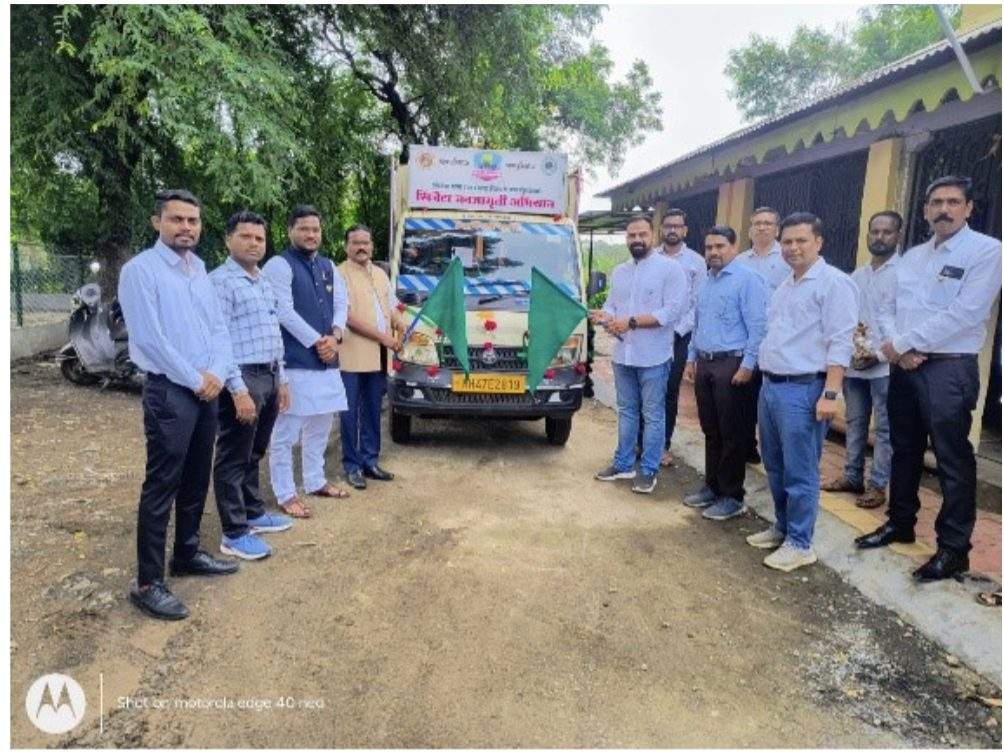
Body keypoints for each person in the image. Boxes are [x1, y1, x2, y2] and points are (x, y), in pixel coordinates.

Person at [856, 176, 1003, 582]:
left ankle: (954, 550)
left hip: (949, 369)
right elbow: (888, 308)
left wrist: (903, 343)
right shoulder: (914, 257)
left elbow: (966, 313)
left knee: (952, 459)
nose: (944, 209)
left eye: (953, 202)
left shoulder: (987, 251)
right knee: (904, 448)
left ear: (968, 208)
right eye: (936, 202)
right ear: (924, 210)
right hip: (905, 367)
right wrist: (898, 350)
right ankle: (900, 522)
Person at [118, 189, 239, 621]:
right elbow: (150, 339)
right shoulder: (140, 271)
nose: (186, 227)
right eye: (176, 219)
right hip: (171, 391)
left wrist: (218, 374)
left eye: (192, 220)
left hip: (206, 389)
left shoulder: (199, 270)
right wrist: (197, 379)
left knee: (196, 477)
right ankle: (148, 583)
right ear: (157, 223)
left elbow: (219, 329)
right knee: (162, 484)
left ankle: (186, 553)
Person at [745, 212, 857, 572]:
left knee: (800, 470)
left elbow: (841, 341)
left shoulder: (833, 283)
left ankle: (800, 542)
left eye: (801, 241)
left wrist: (831, 393)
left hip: (804, 389)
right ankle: (783, 528)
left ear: (818, 242)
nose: (793, 248)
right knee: (775, 465)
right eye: (788, 241)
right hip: (772, 387)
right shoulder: (786, 286)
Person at [209, 211, 294, 561]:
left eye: (259, 238)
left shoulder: (263, 281)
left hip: (269, 374)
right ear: (228, 240)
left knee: (255, 450)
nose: (254, 243)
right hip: (242, 376)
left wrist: (281, 379)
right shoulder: (221, 282)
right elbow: (218, 339)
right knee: (233, 455)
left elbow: (275, 333)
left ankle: (253, 513)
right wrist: (237, 389)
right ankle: (233, 532)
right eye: (245, 237)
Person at [262, 205, 350, 518]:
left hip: (326, 362)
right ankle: (285, 493)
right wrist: (319, 341)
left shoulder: (328, 265)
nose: (311, 234)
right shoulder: (279, 265)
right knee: (286, 433)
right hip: (295, 362)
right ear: (290, 231)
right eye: (304, 229)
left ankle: (315, 480)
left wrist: (335, 336)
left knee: (321, 426)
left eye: (315, 229)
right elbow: (283, 312)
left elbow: (342, 304)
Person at [590, 215, 688, 494]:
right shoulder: (620, 271)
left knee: (653, 415)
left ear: (653, 235)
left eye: (642, 234)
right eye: (631, 235)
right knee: (627, 411)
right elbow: (612, 304)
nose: (636, 240)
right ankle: (623, 464)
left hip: (654, 357)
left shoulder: (670, 269)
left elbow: (672, 311)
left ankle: (648, 470)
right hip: (623, 355)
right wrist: (605, 316)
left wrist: (631, 322)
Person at [681, 226, 768, 520]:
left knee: (733, 433)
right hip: (705, 363)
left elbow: (758, 327)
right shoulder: (706, 281)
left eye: (720, 246)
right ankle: (712, 486)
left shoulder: (748, 280)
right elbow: (698, 324)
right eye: (709, 247)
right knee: (711, 430)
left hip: (733, 364)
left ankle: (732, 496)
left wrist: (748, 365)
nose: (714, 252)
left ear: (734, 247)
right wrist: (691, 359)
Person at [821, 211, 902, 509]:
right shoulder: (857, 276)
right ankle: (852, 476)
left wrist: (878, 355)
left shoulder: (905, 275)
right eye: (875, 231)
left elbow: (906, 324)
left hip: (886, 367)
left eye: (887, 232)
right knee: (854, 422)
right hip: (856, 366)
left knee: (884, 429)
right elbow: (848, 320)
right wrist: (852, 353)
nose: (879, 237)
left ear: (898, 236)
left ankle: (877, 485)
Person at [338, 224, 405, 490]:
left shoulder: (380, 274)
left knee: (373, 410)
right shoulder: (339, 274)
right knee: (349, 413)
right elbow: (347, 317)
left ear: (372, 246)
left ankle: (370, 461)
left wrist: (401, 324)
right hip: (352, 355)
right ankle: (352, 466)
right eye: (355, 243)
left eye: (365, 242)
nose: (361, 247)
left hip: (378, 356)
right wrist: (384, 337)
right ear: (346, 246)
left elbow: (391, 307)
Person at [737, 206, 790, 464]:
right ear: (750, 230)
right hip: (745, 338)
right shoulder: (740, 261)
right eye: (757, 223)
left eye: (768, 223)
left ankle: (776, 452)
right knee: (744, 395)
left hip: (777, 339)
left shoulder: (788, 259)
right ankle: (747, 445)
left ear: (777, 229)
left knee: (771, 397)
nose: (762, 227)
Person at [654, 209, 707, 467]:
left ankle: (662, 445)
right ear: (661, 229)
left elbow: (698, 304)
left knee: (668, 392)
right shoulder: (651, 257)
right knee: (647, 389)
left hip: (679, 336)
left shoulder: (697, 262)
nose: (672, 230)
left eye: (677, 226)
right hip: (650, 333)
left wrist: (677, 331)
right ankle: (641, 441)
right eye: (668, 225)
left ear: (685, 230)